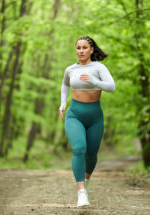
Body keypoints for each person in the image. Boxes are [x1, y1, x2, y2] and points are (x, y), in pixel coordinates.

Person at [59, 36, 115, 207]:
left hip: (94, 116)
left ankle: (87, 181)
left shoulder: (99, 67)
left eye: (84, 47)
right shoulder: (70, 69)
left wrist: (93, 81)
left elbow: (111, 87)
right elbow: (65, 85)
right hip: (75, 114)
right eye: (78, 48)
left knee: (91, 154)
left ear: (91, 50)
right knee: (79, 149)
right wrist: (62, 103)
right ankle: (81, 192)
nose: (81, 51)